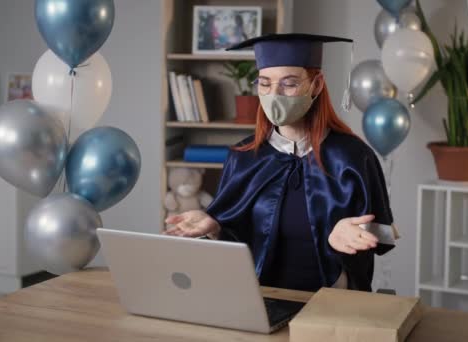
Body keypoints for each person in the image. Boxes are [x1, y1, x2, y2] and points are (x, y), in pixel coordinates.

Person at [165, 33, 398, 292]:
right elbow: (238, 238)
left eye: (289, 83)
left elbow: (384, 237)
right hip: (259, 298)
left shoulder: (354, 157)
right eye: (264, 84)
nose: (274, 95)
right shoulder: (243, 156)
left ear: (316, 85)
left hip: (330, 302)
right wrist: (215, 226)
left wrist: (347, 234)